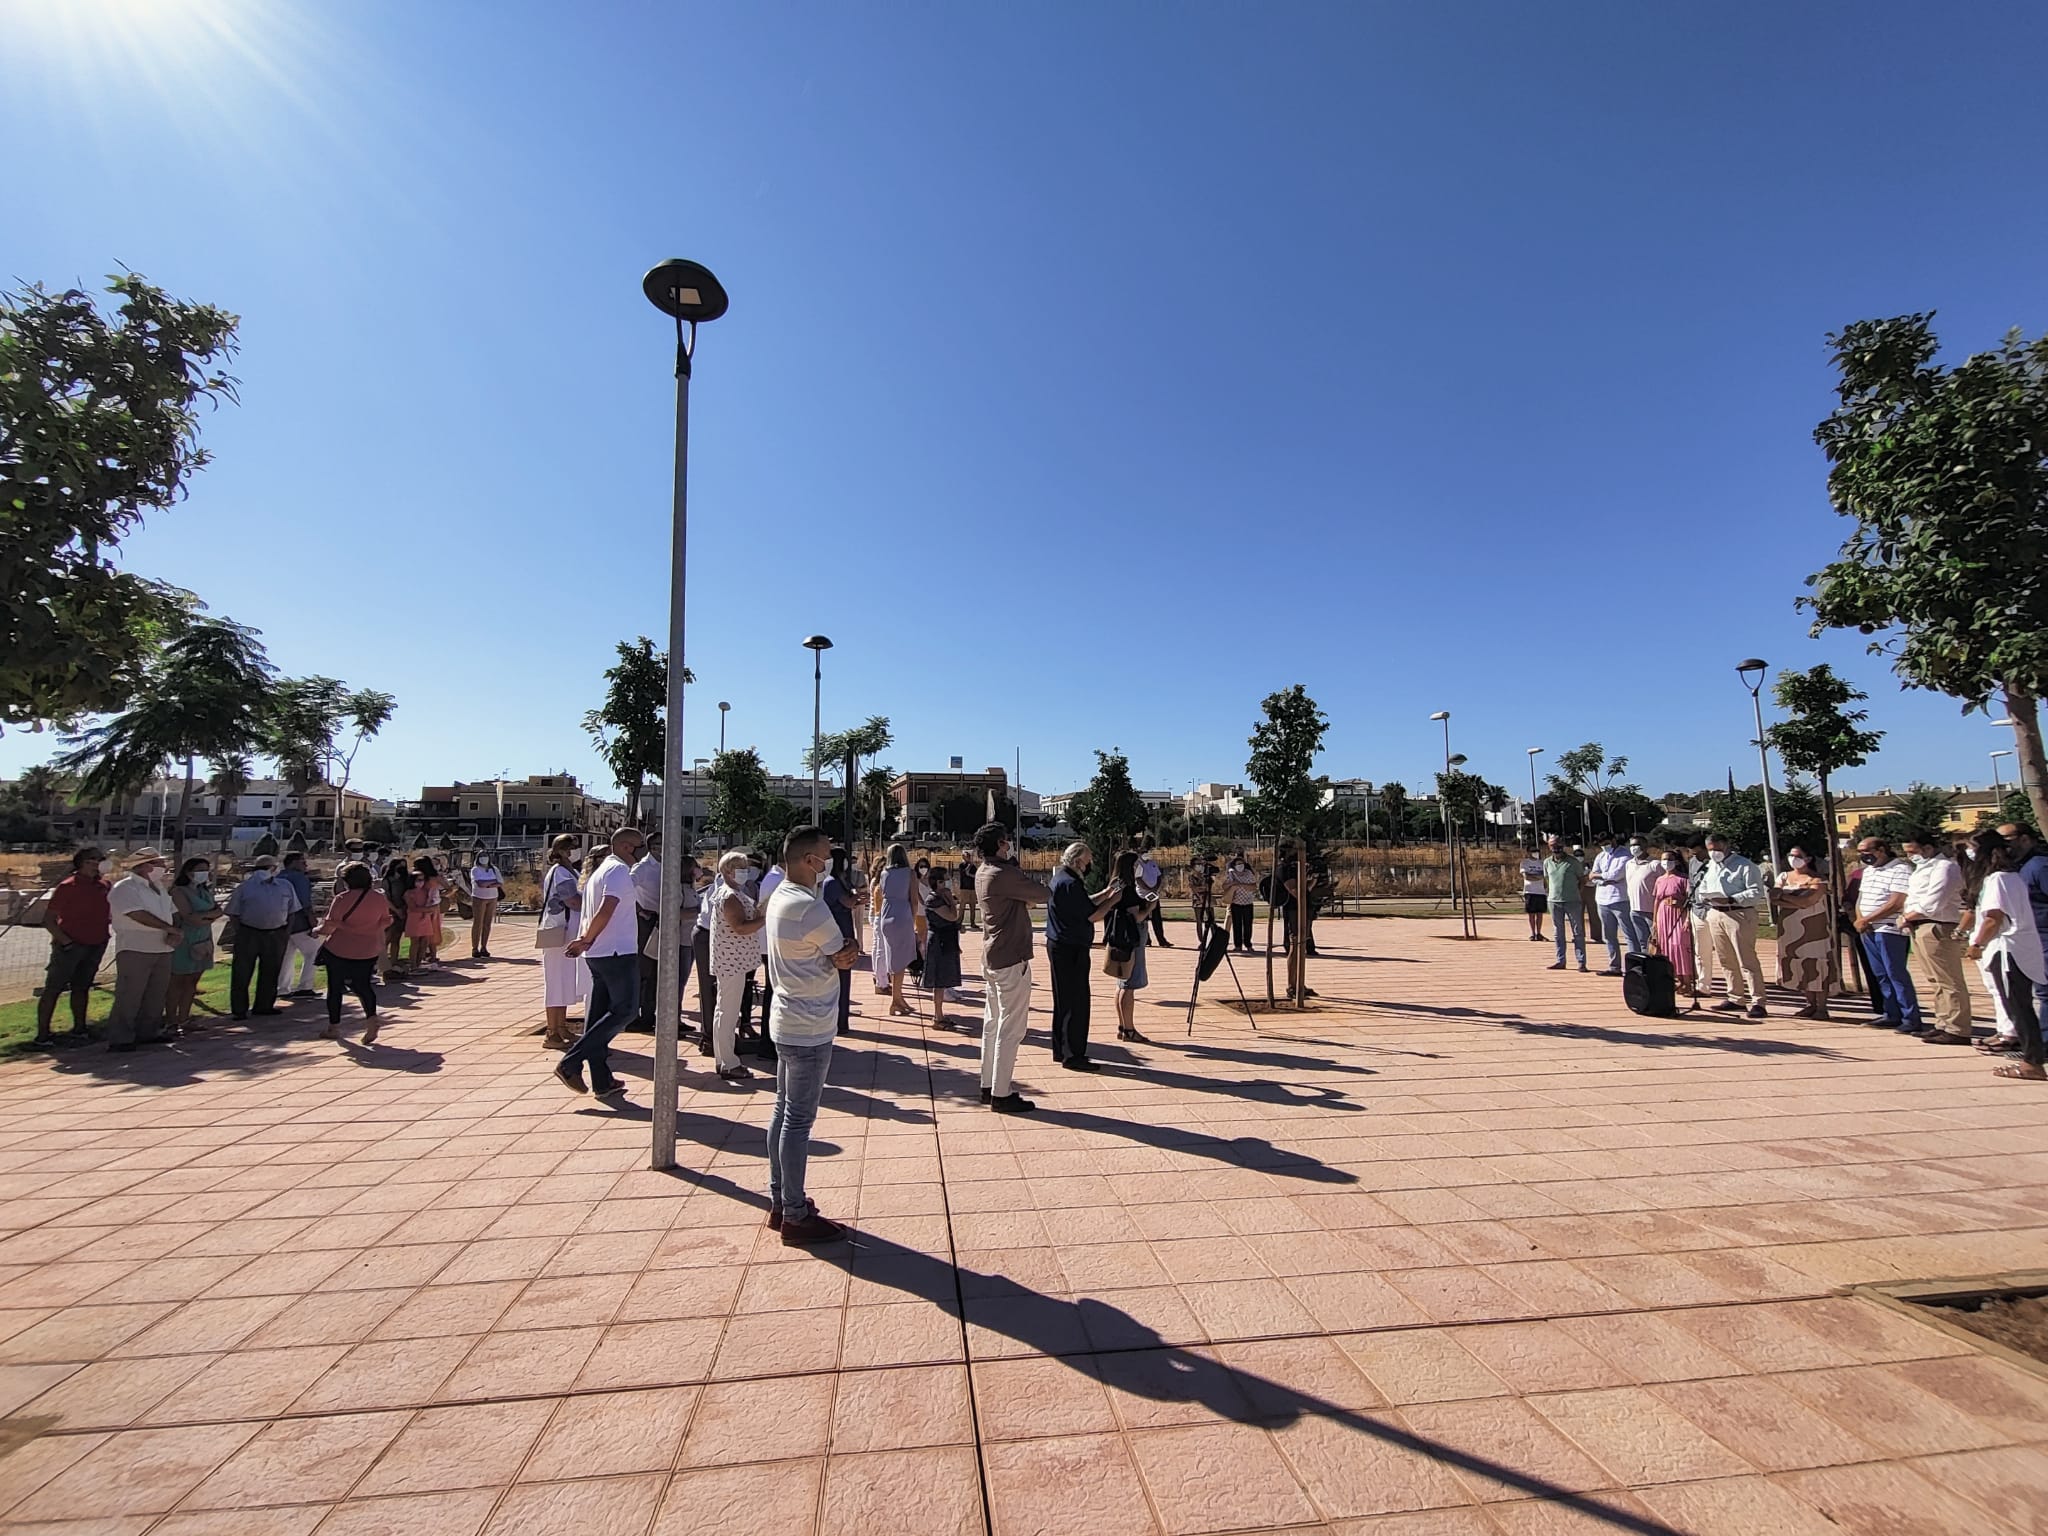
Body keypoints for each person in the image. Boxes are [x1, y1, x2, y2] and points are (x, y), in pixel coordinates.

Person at [763, 826, 863, 1244]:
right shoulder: (809, 907)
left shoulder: (779, 896)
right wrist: (848, 949)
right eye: (826, 855)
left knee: (783, 1113)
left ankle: (781, 1200)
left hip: (787, 1019)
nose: (831, 862)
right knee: (797, 1122)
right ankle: (795, 1214)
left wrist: (844, 950)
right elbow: (841, 953)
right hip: (810, 1024)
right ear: (809, 860)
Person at [555, 828, 649, 1101]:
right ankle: (571, 1062)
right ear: (626, 847)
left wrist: (587, 941)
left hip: (600, 953)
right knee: (626, 1011)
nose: (643, 853)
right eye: (640, 847)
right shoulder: (618, 871)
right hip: (616, 951)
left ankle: (602, 1079)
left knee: (597, 1017)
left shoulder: (602, 871)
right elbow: (607, 909)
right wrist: (586, 939)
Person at [974, 821, 1052, 1113]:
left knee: (993, 1023)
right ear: (999, 845)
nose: (1009, 846)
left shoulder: (984, 871)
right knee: (1011, 1028)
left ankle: (988, 1084)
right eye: (1006, 841)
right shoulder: (1003, 873)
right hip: (1010, 958)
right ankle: (1001, 1092)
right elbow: (1042, 894)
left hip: (993, 955)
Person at [1962, 828, 2045, 1081]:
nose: (1969, 854)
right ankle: (2032, 1058)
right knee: (2020, 1006)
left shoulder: (1997, 879)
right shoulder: (2012, 876)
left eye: (1972, 849)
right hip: (2018, 947)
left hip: (2007, 950)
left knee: (2018, 1008)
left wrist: (1977, 944)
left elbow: (1993, 918)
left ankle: (2032, 1062)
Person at [1044, 841, 1125, 1069]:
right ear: (1078, 860)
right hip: (1070, 947)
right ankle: (1073, 1055)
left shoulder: (1062, 878)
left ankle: (1062, 1049)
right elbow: (1092, 916)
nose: (1090, 864)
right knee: (1076, 1002)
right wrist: (1113, 901)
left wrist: (1106, 893)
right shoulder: (1070, 883)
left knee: (1063, 1000)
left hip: (1060, 944)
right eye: (1088, 860)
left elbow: (1085, 904)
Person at [1899, 830, 1972, 1044]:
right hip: (1917, 925)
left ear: (1928, 848)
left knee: (1948, 980)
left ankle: (1958, 1028)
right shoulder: (1921, 869)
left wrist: (1907, 917)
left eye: (1913, 851)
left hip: (1936, 925)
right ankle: (1943, 1023)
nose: (1910, 856)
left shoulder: (1945, 867)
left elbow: (1934, 902)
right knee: (1935, 979)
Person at [35, 847, 110, 1048]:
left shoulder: (104, 886)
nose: (95, 865)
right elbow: (49, 920)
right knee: (54, 989)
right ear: (80, 864)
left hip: (96, 944)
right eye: (90, 861)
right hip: (70, 946)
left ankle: (80, 1028)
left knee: (82, 987)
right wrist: (66, 942)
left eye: (99, 860)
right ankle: (43, 1035)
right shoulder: (68, 886)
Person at [105, 849, 179, 1051]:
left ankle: (148, 1031)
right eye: (159, 863)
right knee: (130, 993)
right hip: (135, 947)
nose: (163, 867)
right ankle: (121, 1037)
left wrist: (174, 931)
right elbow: (137, 914)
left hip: (163, 946)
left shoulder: (159, 888)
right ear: (145, 866)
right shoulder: (125, 888)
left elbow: (172, 913)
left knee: (156, 993)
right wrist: (169, 928)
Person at [709, 848, 769, 1082]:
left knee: (725, 1010)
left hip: (734, 960)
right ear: (727, 871)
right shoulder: (729, 896)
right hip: (731, 962)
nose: (745, 872)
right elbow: (741, 927)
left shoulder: (734, 893)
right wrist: (765, 918)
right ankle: (728, 1062)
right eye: (740, 868)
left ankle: (723, 1058)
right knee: (728, 1012)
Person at [1852, 835, 1923, 1034]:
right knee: (1880, 974)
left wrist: (1868, 919)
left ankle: (1910, 1017)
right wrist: (1860, 919)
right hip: (1868, 929)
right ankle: (1891, 1013)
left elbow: (1896, 902)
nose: (1863, 856)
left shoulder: (1900, 869)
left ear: (1881, 850)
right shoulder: (1868, 871)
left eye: (1867, 851)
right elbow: (1861, 898)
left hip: (1889, 928)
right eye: (1860, 852)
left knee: (1895, 973)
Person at [1696, 834, 1770, 1018]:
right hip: (1715, 912)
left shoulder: (1745, 865)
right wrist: (1705, 896)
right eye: (1710, 849)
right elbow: (1702, 887)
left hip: (1739, 913)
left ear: (1727, 846)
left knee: (1746, 959)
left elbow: (1756, 891)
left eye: (1717, 848)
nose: (1714, 853)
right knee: (1725, 959)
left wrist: (1731, 898)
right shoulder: (1711, 866)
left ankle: (1758, 1001)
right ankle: (1736, 997)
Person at [315, 860, 389, 1044]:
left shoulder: (342, 899)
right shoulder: (379, 898)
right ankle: (372, 1019)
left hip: (340, 948)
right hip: (368, 949)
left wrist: (316, 931)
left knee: (335, 988)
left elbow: (330, 925)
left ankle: (334, 1026)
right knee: (363, 985)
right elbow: (386, 920)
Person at [226, 853, 301, 1020]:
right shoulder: (244, 888)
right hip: (249, 933)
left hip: (276, 933)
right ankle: (239, 1009)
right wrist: (241, 932)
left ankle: (264, 1006)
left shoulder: (285, 886)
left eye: (268, 867)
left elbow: (292, 911)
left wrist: (286, 932)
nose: (265, 870)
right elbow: (233, 913)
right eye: (261, 868)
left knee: (271, 971)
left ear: (275, 869)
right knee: (242, 972)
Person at [1996, 821, 2048, 1040]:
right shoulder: (2017, 868)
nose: (2003, 847)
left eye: (2006, 841)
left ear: (2025, 839)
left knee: (2045, 992)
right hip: (2028, 939)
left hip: (2044, 937)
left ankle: (2044, 1041)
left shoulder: (2039, 866)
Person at [1773, 847, 1835, 1020]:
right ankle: (1810, 1004)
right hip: (1789, 927)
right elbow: (1773, 897)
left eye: (1798, 856)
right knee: (1798, 963)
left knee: (1817, 964)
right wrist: (1796, 901)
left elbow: (1808, 901)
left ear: (1807, 859)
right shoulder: (1783, 877)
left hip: (1814, 929)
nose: (1793, 858)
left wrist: (1785, 897)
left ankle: (1822, 1007)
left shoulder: (1817, 879)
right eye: (1791, 855)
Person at [167, 857, 225, 1036]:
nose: (204, 873)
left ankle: (184, 1018)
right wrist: (208, 916)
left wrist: (205, 917)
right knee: (177, 981)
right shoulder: (178, 891)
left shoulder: (203, 890)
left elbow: (218, 911)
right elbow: (189, 917)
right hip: (184, 940)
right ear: (188, 871)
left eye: (206, 869)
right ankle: (171, 1021)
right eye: (200, 869)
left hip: (203, 939)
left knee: (192, 981)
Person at [1106, 848, 1159, 1042]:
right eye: (1136, 864)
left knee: (1121, 983)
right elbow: (1136, 916)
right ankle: (1129, 1029)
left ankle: (1123, 1026)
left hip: (1119, 935)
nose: (1140, 866)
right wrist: (1150, 906)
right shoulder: (1128, 888)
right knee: (1129, 985)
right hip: (1132, 936)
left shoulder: (1115, 883)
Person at [539, 835, 585, 1050]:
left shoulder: (570, 871)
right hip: (559, 933)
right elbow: (572, 900)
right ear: (563, 850)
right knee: (556, 981)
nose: (575, 851)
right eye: (572, 848)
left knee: (565, 981)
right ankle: (551, 1031)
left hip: (568, 933)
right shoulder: (560, 873)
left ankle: (561, 1026)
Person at [873, 844, 920, 1017]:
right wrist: (913, 919)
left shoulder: (884, 873)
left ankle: (898, 997)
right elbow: (914, 900)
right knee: (901, 959)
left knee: (892, 957)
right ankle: (896, 1000)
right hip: (902, 915)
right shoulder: (910, 873)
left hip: (886, 914)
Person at [1652, 850, 1698, 1008]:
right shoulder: (1659, 880)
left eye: (1669, 859)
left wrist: (1687, 917)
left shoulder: (1683, 879)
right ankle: (1677, 979)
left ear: (1676, 861)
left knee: (1679, 946)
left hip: (1679, 914)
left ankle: (1688, 981)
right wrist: (1655, 921)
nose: (1666, 862)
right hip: (1663, 915)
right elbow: (1657, 900)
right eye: (1663, 859)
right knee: (1667, 949)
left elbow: (1690, 900)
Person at [1589, 833, 1638, 976]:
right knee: (1609, 935)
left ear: (1613, 840)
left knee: (1629, 934)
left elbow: (1616, 875)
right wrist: (1603, 878)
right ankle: (1614, 966)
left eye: (1606, 843)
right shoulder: (1600, 856)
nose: (1604, 846)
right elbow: (1592, 876)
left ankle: (1633, 968)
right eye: (1601, 845)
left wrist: (1602, 877)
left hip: (1620, 899)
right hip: (1602, 899)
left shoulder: (1625, 855)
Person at [922, 867, 964, 1028]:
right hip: (938, 942)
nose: (948, 883)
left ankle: (940, 1015)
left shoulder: (942, 897)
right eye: (945, 880)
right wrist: (951, 900)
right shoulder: (933, 899)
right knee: (939, 981)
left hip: (947, 940)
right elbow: (952, 915)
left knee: (945, 978)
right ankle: (937, 1016)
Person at [823, 847, 859, 1036]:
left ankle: (842, 1020)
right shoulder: (832, 883)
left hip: (844, 931)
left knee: (844, 980)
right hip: (838, 935)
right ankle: (838, 1021)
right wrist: (856, 897)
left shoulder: (839, 881)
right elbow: (847, 902)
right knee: (839, 980)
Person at [277, 851, 320, 999]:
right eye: (303, 861)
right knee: (313, 951)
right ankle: (305, 986)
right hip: (299, 921)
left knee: (287, 955)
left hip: (281, 922)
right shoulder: (299, 878)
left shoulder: (278, 877)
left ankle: (283, 988)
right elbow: (304, 901)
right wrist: (311, 919)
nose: (306, 865)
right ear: (293, 863)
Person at [632, 835, 663, 1034]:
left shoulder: (668, 865)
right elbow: (625, 888)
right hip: (648, 921)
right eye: (658, 845)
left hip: (665, 921)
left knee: (659, 973)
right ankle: (639, 1017)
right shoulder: (642, 867)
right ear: (651, 847)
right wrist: (639, 910)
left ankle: (652, 1014)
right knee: (646, 971)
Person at [1543, 838, 1588, 972]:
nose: (1556, 848)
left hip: (1572, 901)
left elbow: (1582, 880)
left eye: (1558, 845)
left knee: (1578, 932)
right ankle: (1560, 960)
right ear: (1549, 847)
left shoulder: (1573, 862)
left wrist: (1576, 893)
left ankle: (1581, 962)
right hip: (1554, 901)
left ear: (1563, 845)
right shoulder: (1547, 862)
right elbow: (1547, 880)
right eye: (1553, 845)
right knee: (1558, 932)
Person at [404, 856, 443, 972]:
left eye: (422, 880)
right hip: (415, 919)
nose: (420, 882)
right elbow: (413, 908)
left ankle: (420, 962)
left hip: (426, 918)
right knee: (415, 941)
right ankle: (413, 965)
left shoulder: (426, 891)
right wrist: (428, 909)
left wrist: (434, 905)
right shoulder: (409, 893)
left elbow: (434, 898)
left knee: (425, 940)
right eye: (418, 880)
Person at [1624, 838, 1660, 954]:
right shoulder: (1629, 864)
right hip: (1635, 910)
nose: (1633, 848)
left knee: (1657, 942)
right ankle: (1646, 963)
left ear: (1645, 846)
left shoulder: (1654, 864)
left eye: (1637, 845)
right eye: (1631, 845)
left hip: (1651, 911)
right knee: (1643, 942)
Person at [1133, 834, 1171, 946]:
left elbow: (1159, 876)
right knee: (1144, 917)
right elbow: (1138, 879)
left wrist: (1155, 888)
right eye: (1144, 851)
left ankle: (1161, 940)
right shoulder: (1138, 864)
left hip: (1154, 894)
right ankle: (1146, 939)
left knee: (1156, 918)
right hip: (1142, 895)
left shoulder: (1153, 863)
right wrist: (1148, 888)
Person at [467, 850, 504, 958]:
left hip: (492, 897)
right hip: (479, 897)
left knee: (487, 923)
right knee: (478, 923)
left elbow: (500, 882)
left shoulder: (494, 869)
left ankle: (484, 947)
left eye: (485, 856)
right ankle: (475, 948)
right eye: (481, 856)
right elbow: (480, 884)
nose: (484, 858)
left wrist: (488, 884)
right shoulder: (475, 869)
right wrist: (492, 882)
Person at [382, 853, 414, 979]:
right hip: (390, 912)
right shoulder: (387, 881)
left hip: (403, 911)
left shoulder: (405, 880)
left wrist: (403, 910)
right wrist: (396, 910)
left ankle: (394, 962)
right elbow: (385, 898)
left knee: (396, 939)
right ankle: (383, 965)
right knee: (386, 939)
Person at [1221, 853, 1259, 953]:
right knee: (1237, 925)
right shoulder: (1231, 873)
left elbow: (1254, 886)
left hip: (1248, 903)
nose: (1240, 866)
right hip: (1236, 903)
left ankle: (1248, 944)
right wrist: (1232, 884)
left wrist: (1242, 884)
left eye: (1241, 864)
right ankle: (1237, 945)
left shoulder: (1248, 873)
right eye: (1238, 864)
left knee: (1248, 925)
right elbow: (1224, 886)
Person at [1518, 844, 1546, 943]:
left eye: (1536, 851)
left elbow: (1544, 876)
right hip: (1530, 891)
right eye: (1533, 851)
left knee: (1540, 914)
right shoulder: (1524, 863)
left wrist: (1536, 877)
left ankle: (1539, 933)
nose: (1535, 853)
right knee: (1531, 914)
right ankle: (1532, 933)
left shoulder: (1542, 863)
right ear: (1528, 852)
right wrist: (1538, 877)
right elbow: (1526, 876)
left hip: (1541, 891)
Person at [1187, 852, 1217, 944]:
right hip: (1198, 899)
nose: (1200, 865)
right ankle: (1202, 941)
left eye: (1201, 863)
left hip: (1208, 898)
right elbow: (1194, 888)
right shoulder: (1191, 876)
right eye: (1197, 864)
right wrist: (1201, 889)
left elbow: (1208, 886)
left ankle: (1214, 939)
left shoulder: (1206, 875)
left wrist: (1202, 887)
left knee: (1211, 919)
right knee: (1199, 920)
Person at [958, 851, 980, 930]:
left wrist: (970, 871)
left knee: (973, 906)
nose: (968, 857)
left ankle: (972, 923)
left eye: (968, 856)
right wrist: (969, 867)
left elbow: (976, 875)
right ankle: (959, 922)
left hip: (972, 888)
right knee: (962, 906)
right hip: (964, 888)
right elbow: (965, 873)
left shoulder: (973, 866)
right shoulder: (961, 865)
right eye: (966, 856)